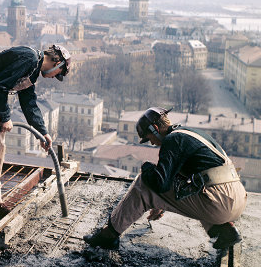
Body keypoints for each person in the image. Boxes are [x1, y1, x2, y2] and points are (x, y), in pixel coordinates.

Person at [84, 107, 247, 250]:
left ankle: (108, 235)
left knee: (143, 184)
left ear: (155, 128)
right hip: (236, 198)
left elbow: (159, 184)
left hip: (219, 203)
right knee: (175, 185)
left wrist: (146, 167)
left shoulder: (172, 139)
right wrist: (160, 201)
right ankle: (225, 230)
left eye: (149, 138)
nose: (153, 143)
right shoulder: (188, 134)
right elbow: (175, 179)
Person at [0, 44, 71, 231]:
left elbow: (28, 101)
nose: (54, 78)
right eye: (57, 73)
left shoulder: (33, 68)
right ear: (56, 61)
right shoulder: (29, 58)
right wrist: (4, 117)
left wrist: (42, 131)